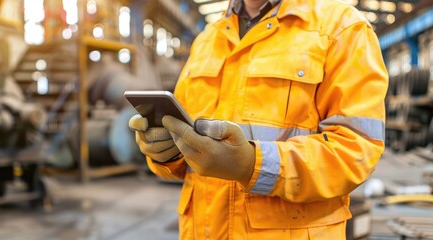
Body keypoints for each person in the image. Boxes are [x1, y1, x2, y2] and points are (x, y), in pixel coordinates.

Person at [129, 0, 388, 238]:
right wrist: (166, 154)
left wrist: (253, 164)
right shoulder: (207, 40)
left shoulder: (342, 28)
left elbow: (356, 150)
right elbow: (187, 145)